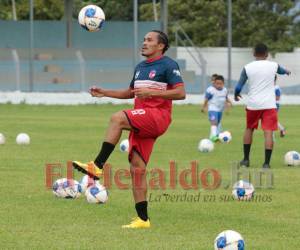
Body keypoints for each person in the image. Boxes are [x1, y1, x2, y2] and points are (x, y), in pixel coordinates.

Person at [72, 30, 186, 228]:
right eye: (144, 39)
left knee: (117, 118)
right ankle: (143, 220)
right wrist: (104, 92)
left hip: (157, 116)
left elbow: (181, 93)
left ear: (160, 46)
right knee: (137, 168)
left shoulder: (169, 64)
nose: (144, 43)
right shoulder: (140, 67)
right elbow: (129, 92)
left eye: (149, 40)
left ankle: (97, 165)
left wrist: (151, 92)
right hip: (142, 118)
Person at [234, 43, 290, 169]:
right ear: (267, 54)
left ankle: (246, 160)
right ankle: (266, 163)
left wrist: (236, 94)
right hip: (269, 105)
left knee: (249, 129)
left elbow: (238, 86)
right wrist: (287, 71)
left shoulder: (247, 67)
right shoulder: (273, 65)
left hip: (253, 104)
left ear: (254, 53)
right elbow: (282, 70)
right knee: (268, 132)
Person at [201, 75, 232, 142]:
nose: (219, 85)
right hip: (212, 109)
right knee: (214, 122)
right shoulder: (211, 90)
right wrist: (204, 107)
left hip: (220, 110)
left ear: (223, 84)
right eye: (217, 83)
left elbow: (225, 98)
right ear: (214, 83)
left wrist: (228, 106)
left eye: (220, 84)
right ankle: (214, 137)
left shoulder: (225, 90)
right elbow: (206, 99)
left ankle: (213, 136)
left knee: (217, 123)